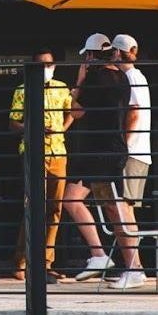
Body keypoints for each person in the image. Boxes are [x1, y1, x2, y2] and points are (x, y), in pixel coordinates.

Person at [64, 33, 144, 289]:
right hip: (108, 150)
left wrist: (78, 83)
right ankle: (101, 256)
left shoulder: (95, 79)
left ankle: (130, 266)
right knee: (83, 201)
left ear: (90, 56)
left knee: (112, 208)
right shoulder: (120, 77)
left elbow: (76, 112)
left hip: (101, 152)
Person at [9, 50, 72, 283]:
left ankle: (46, 263)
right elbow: (13, 121)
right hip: (33, 151)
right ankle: (22, 261)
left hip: (58, 151)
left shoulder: (61, 87)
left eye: (49, 64)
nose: (45, 68)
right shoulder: (22, 89)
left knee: (55, 208)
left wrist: (64, 127)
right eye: (41, 65)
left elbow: (74, 110)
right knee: (33, 205)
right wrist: (31, 128)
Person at [112, 34, 152, 210]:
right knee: (126, 208)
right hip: (140, 154)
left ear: (118, 52)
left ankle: (131, 239)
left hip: (132, 154)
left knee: (124, 208)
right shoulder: (139, 76)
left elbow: (135, 112)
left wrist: (124, 145)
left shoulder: (130, 77)